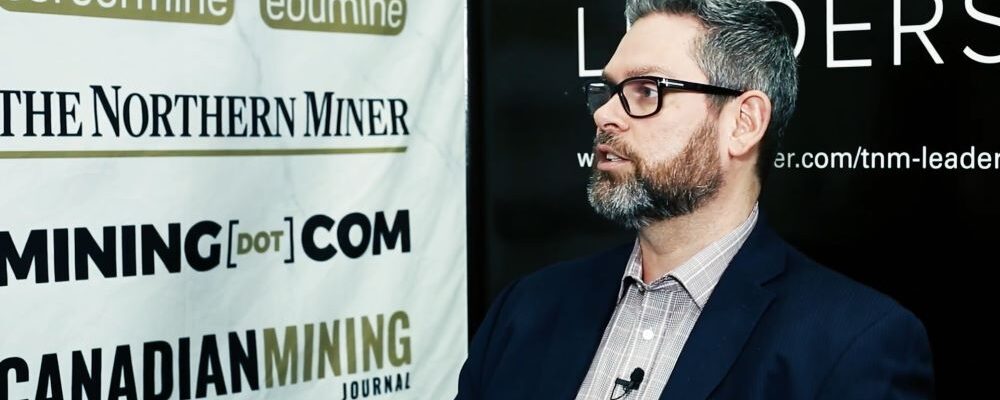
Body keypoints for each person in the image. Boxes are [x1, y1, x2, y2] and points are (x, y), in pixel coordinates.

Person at [456, 0, 935, 399]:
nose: (604, 114)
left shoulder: (853, 345)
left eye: (646, 90)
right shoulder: (524, 311)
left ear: (743, 123)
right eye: (609, 91)